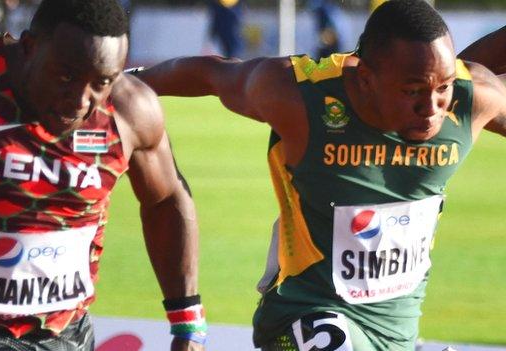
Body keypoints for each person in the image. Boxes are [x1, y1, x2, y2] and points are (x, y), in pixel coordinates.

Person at [136, 0, 506, 349]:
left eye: (442, 88)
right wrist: (126, 84)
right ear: (365, 78)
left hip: (397, 331)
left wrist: (442, 88)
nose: (431, 108)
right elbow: (214, 75)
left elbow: (453, 84)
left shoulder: (473, 98)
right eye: (412, 91)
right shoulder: (299, 96)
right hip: (306, 315)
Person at [0, 0, 205, 350]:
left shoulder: (130, 111)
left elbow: (165, 199)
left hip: (69, 332)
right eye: (66, 76)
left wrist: (188, 323)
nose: (81, 100)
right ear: (29, 47)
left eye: (102, 82)